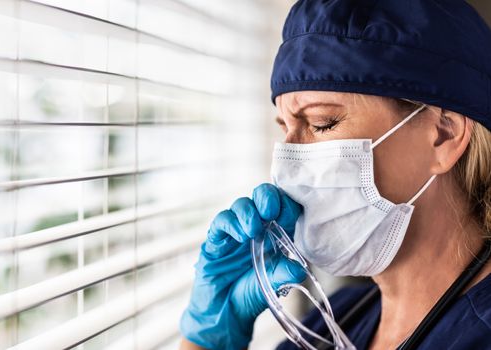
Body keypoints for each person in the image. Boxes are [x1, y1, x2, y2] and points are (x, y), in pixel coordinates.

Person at [179, 0, 491, 349]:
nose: (287, 162)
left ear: (443, 135)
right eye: (285, 127)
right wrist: (207, 340)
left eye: (320, 123)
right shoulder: (337, 319)